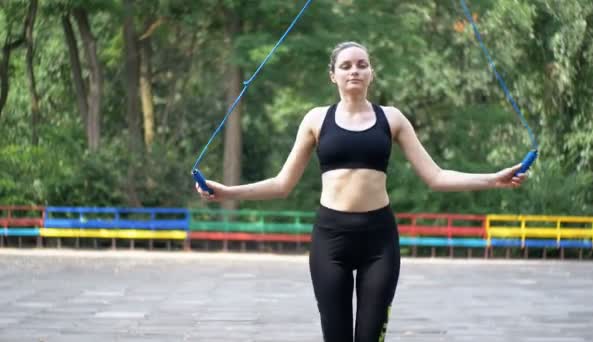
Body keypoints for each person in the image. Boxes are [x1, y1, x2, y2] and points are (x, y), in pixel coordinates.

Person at [196, 41, 527, 342]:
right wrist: (227, 192)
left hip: (379, 241)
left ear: (371, 73)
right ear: (333, 76)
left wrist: (493, 179)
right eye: (346, 65)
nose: (354, 70)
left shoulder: (392, 119)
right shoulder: (316, 120)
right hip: (330, 240)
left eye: (361, 64)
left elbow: (436, 176)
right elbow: (282, 184)